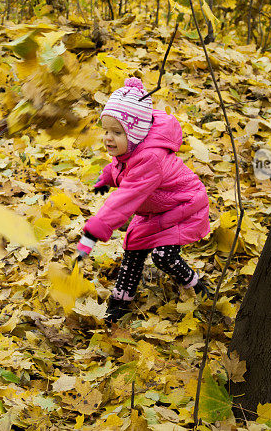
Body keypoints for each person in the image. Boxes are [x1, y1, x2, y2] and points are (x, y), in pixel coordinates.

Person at [75, 77, 212, 323]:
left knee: (163, 256)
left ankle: (196, 285)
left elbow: (128, 195)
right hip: (157, 211)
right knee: (134, 246)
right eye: (106, 130)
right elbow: (122, 168)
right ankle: (120, 301)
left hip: (185, 207)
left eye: (117, 132)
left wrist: (96, 228)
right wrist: (107, 176)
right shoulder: (133, 148)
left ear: (135, 133)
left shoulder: (150, 158)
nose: (108, 138)